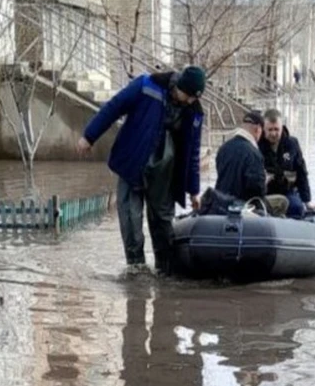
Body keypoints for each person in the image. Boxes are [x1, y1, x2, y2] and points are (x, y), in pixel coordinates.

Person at [76, 66, 206, 275]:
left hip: (165, 174)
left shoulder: (194, 113)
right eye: (188, 95)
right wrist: (89, 136)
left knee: (163, 225)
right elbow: (114, 107)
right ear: (180, 86)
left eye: (194, 97)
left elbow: (193, 153)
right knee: (131, 223)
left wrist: (193, 190)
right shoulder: (146, 85)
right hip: (133, 164)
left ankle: (165, 273)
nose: (190, 101)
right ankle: (136, 271)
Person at [258, 109, 313, 219]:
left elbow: (301, 172)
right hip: (265, 193)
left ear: (282, 127)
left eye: (276, 129)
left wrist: (306, 200)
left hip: (287, 192)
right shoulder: (257, 145)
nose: (273, 133)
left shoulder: (292, 144)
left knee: (297, 207)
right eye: (270, 130)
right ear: (263, 128)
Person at [215, 110, 269, 205]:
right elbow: (257, 190)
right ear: (258, 129)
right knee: (282, 202)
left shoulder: (223, 148)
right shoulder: (254, 154)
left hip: (220, 204)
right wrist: (264, 180)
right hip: (242, 209)